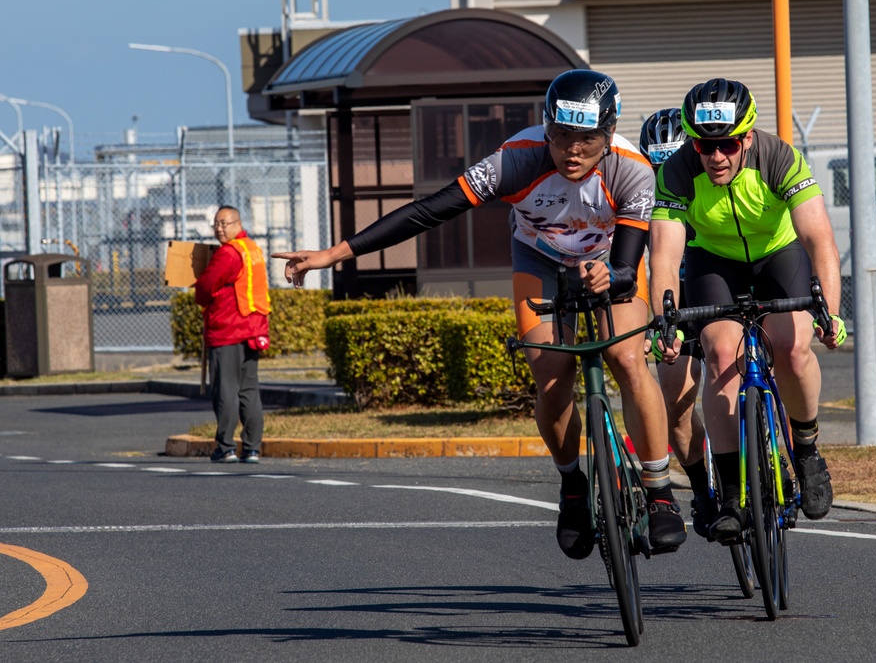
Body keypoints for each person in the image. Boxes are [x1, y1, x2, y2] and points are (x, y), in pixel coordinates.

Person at [273, 69, 687, 558]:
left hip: (608, 261)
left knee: (626, 357)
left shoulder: (632, 169)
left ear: (610, 133)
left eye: (588, 138)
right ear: (545, 127)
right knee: (552, 377)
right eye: (560, 135)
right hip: (540, 259)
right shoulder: (516, 159)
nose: (571, 150)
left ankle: (659, 489)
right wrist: (335, 254)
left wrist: (612, 277)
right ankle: (572, 485)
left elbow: (627, 264)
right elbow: (430, 210)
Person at [649, 78, 845, 542]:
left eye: (728, 145)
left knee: (792, 345)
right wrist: (666, 323)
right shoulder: (677, 172)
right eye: (704, 146)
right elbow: (663, 257)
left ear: (748, 138)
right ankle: (734, 494)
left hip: (777, 254)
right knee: (719, 356)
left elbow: (820, 239)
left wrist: (830, 312)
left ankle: (807, 451)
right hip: (714, 260)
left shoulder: (779, 158)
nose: (715, 156)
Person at [638, 108, 717, 540]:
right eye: (656, 166)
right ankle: (704, 490)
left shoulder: (710, 179)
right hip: (674, 300)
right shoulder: (642, 195)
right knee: (676, 402)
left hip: (719, 284)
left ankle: (768, 450)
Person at [195, 205, 271, 464]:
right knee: (248, 390)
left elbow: (206, 286)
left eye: (224, 223)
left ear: (237, 223)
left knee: (225, 390)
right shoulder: (252, 249)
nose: (219, 228)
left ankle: (226, 447)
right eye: (216, 224)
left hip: (228, 329)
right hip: (252, 329)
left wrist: (200, 294)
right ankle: (252, 448)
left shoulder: (228, 253)